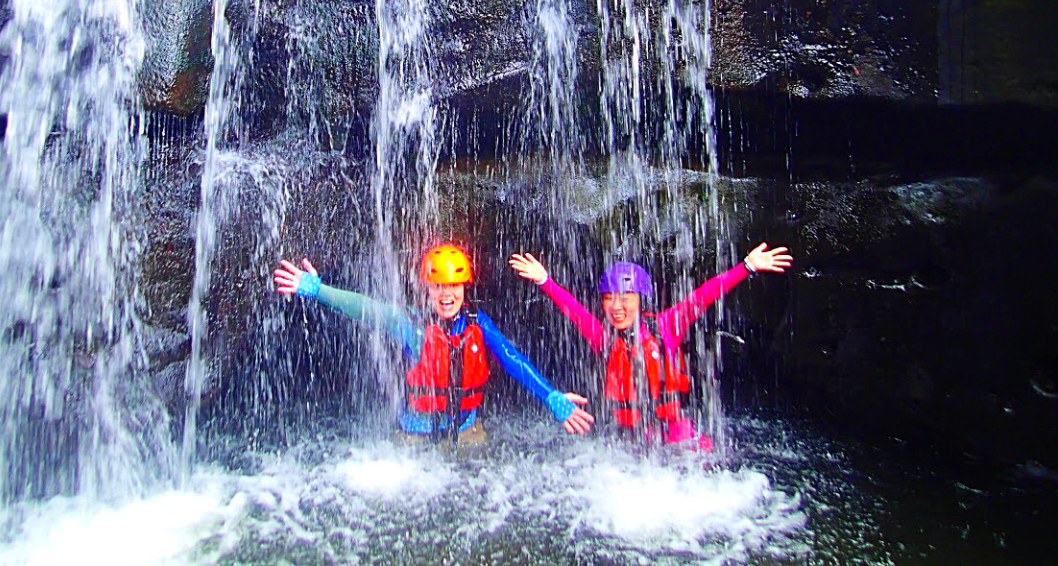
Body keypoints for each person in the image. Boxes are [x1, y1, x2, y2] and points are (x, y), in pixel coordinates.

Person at [273, 242, 595, 445]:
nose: (447, 294)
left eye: (454, 285)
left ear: (464, 287)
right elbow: (366, 308)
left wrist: (550, 394)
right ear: (427, 289)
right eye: (438, 286)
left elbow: (511, 358)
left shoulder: (477, 322)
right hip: (415, 437)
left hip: (466, 431)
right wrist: (319, 290)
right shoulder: (410, 323)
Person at [509, 242, 793, 448]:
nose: (616, 307)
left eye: (625, 298)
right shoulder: (604, 338)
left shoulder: (667, 326)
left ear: (641, 299)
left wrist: (747, 267)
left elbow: (704, 295)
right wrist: (544, 280)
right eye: (608, 298)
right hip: (631, 438)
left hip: (676, 434)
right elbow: (572, 309)